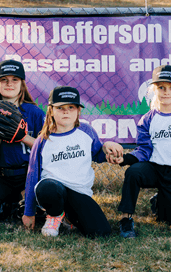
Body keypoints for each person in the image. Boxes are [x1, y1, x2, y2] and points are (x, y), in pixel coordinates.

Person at [115, 65, 171, 238]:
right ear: (154, 89)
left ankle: (160, 200)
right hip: (153, 168)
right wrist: (128, 158)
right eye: (161, 88)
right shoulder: (149, 118)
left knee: (169, 220)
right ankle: (126, 219)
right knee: (133, 173)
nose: (166, 92)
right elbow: (144, 149)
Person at [22, 86, 124, 238]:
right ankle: (54, 215)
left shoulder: (86, 131)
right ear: (51, 110)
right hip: (53, 189)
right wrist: (28, 213)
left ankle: (68, 215)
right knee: (47, 187)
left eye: (71, 107)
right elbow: (32, 176)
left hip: (79, 192)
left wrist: (108, 146)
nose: (66, 111)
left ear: (78, 110)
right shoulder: (43, 140)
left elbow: (97, 154)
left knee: (101, 233)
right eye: (60, 108)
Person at [0, 59, 46, 222]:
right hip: (3, 176)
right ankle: (11, 206)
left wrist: (23, 137)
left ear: (22, 84)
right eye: (4, 80)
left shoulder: (34, 113)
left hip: (30, 174)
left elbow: (48, 150)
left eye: (15, 80)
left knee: (39, 211)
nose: (9, 84)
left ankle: (18, 203)